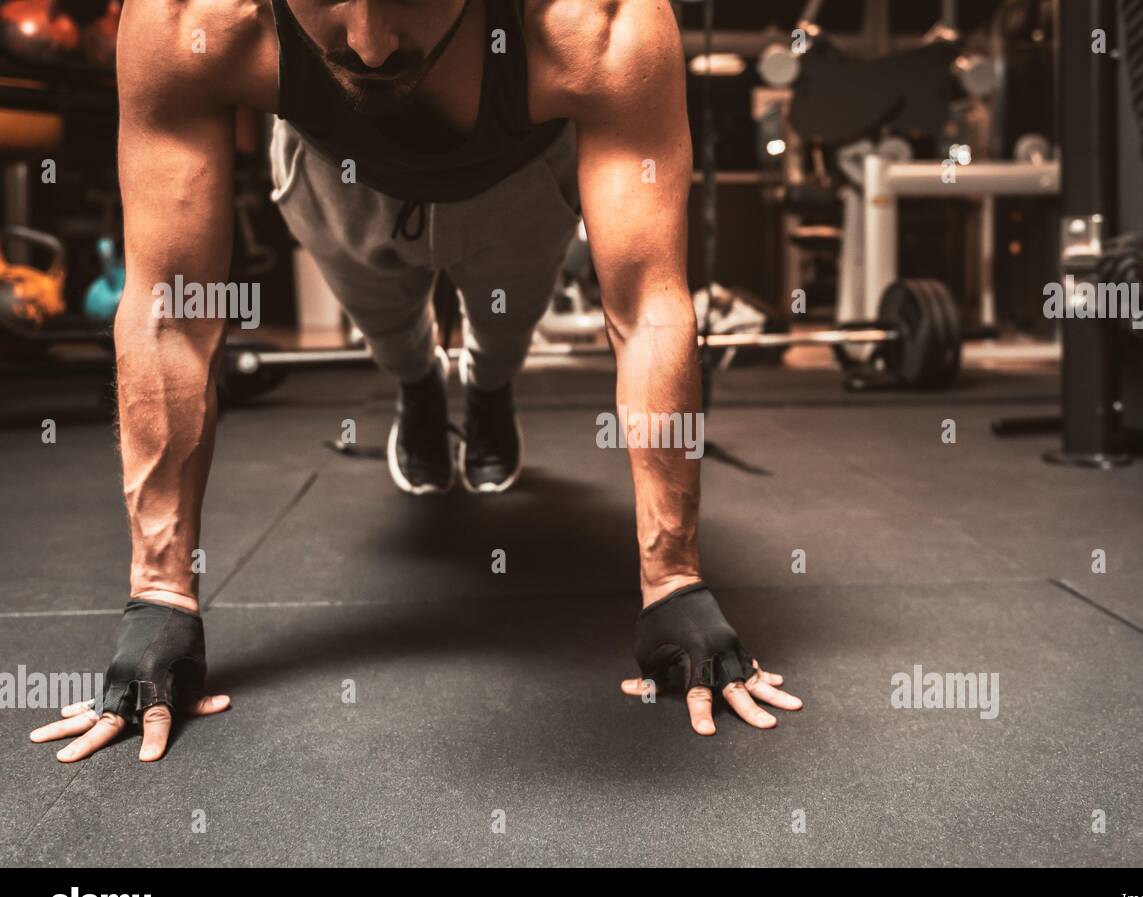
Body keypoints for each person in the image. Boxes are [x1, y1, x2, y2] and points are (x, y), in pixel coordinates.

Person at [30, 0, 802, 762]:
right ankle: (419, 382)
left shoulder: (599, 19)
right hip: (337, 171)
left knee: (505, 327)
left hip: (522, 174)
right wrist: (159, 597)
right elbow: (171, 312)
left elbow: (648, 306)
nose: (369, 44)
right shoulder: (186, 16)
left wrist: (675, 582)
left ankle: (489, 385)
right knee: (391, 328)